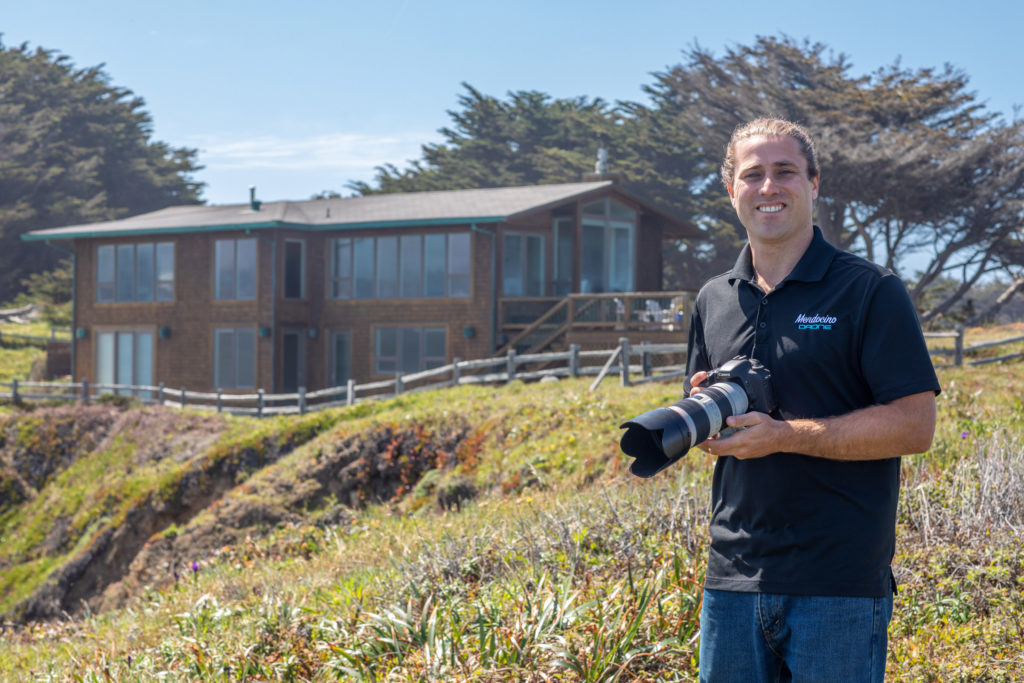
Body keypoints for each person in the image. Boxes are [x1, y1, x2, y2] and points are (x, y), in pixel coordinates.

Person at [685, 117, 940, 682]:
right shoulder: (712, 299)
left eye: (786, 172)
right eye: (752, 175)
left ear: (815, 183)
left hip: (839, 584)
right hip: (731, 578)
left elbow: (915, 426)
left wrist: (783, 436)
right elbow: (709, 421)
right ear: (731, 191)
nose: (768, 187)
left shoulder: (870, 289)